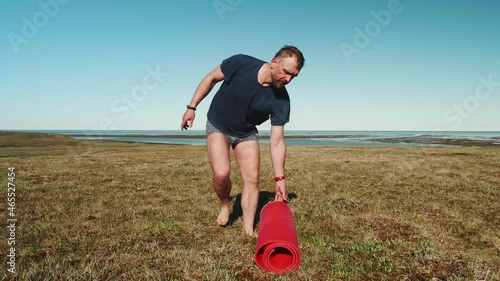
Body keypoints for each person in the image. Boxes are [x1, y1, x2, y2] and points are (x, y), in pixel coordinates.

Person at [180, 45, 305, 236]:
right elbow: (211, 78)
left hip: (245, 133)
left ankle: (248, 231)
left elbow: (277, 140)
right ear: (274, 62)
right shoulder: (241, 63)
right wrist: (192, 107)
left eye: (293, 76)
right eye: (286, 72)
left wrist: (280, 178)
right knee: (221, 175)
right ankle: (225, 204)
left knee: (252, 180)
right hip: (218, 124)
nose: (288, 79)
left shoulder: (281, 100)